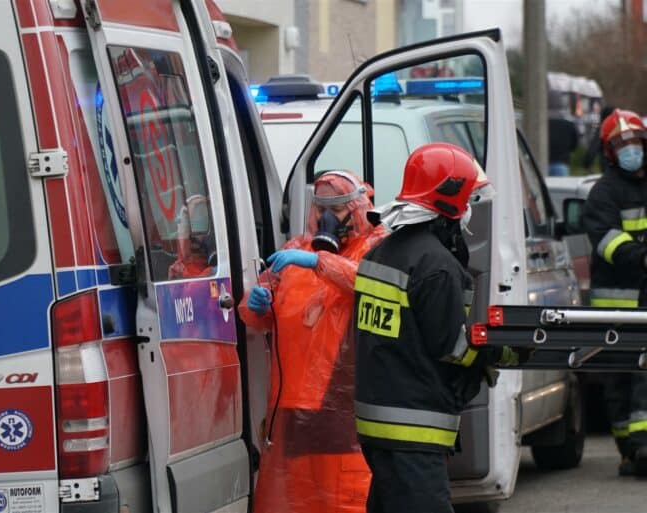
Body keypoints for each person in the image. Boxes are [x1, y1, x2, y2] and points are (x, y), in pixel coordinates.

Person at [353, 143, 524, 512]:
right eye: (468, 201)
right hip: (414, 427)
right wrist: (503, 350)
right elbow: (454, 347)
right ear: (449, 201)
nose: (469, 213)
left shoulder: (380, 254)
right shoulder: (437, 265)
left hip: (377, 422)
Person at [238, 170, 387, 513]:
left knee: (346, 500)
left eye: (335, 209)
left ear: (357, 208)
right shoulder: (294, 252)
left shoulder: (375, 248)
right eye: (320, 208)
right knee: (294, 502)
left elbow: (368, 282)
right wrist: (258, 302)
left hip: (343, 412)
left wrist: (319, 261)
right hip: (291, 412)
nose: (326, 218)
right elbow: (254, 313)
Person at [580, 108, 647, 476]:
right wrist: (642, 258)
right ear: (609, 151)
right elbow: (608, 241)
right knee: (618, 381)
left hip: (643, 300)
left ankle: (641, 447)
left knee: (643, 375)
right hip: (616, 304)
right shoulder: (603, 193)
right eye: (622, 144)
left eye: (635, 141)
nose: (631, 149)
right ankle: (629, 449)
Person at [548, 91, 579, 177]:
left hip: (543, 163)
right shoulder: (568, 124)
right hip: (562, 164)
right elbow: (574, 145)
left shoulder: (541, 124)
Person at [582, 105, 615, 172]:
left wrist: (587, 163)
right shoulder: (619, 129)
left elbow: (593, 147)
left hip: (607, 167)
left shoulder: (602, 130)